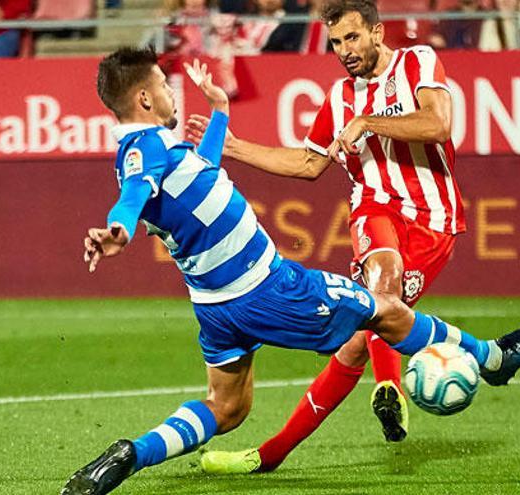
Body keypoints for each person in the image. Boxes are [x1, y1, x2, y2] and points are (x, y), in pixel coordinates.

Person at [60, 46, 520, 495]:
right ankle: (492, 358)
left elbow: (202, 172)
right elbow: (131, 199)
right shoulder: (142, 150)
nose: (173, 95)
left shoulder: (155, 149)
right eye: (166, 88)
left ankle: (130, 454)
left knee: (227, 408)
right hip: (267, 287)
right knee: (385, 310)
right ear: (144, 99)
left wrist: (221, 114)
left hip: (214, 307)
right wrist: (117, 232)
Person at [186, 0, 468, 474]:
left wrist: (368, 123)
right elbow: (309, 163)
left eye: (353, 38)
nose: (344, 50)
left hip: (434, 220)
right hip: (375, 210)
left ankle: (269, 455)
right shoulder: (339, 97)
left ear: (377, 32)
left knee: (358, 341)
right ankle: (391, 387)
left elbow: (438, 124)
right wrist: (234, 148)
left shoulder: (416, 62)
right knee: (383, 282)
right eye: (336, 42)